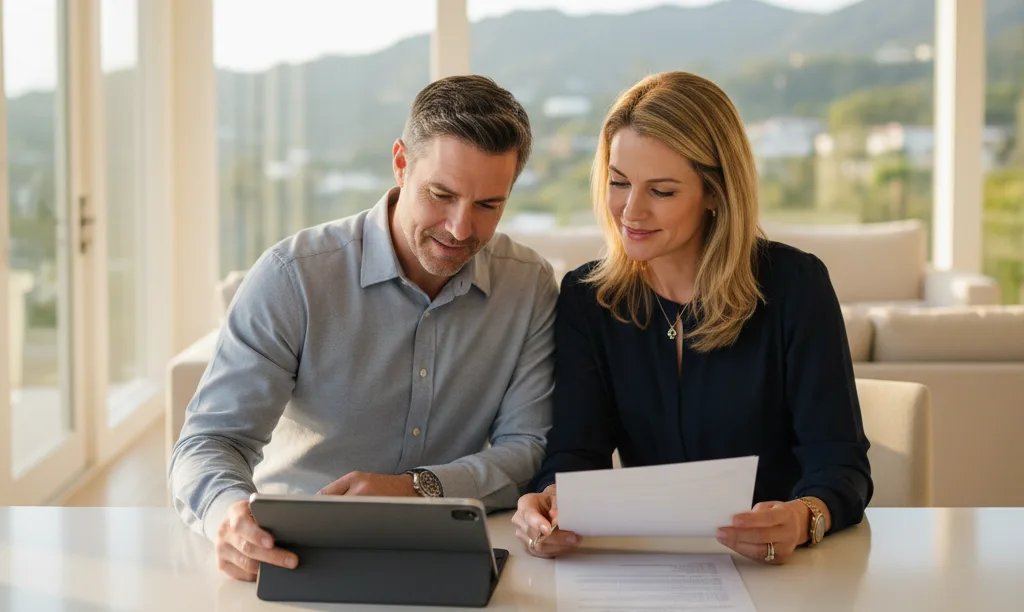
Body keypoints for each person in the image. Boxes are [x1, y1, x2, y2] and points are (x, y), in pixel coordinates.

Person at [170, 75, 558, 581]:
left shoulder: (527, 285)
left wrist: (420, 488)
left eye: (488, 205)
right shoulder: (294, 278)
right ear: (400, 163)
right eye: (441, 195)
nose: (461, 229)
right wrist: (228, 517)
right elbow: (211, 440)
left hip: (446, 555)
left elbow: (527, 446)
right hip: (293, 552)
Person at [511, 71, 872, 565]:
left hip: (777, 571)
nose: (630, 211)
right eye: (619, 183)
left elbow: (841, 465)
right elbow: (576, 453)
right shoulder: (587, 298)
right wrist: (549, 500)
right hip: (649, 566)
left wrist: (804, 517)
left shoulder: (796, 286)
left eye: (661, 191)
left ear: (715, 193)